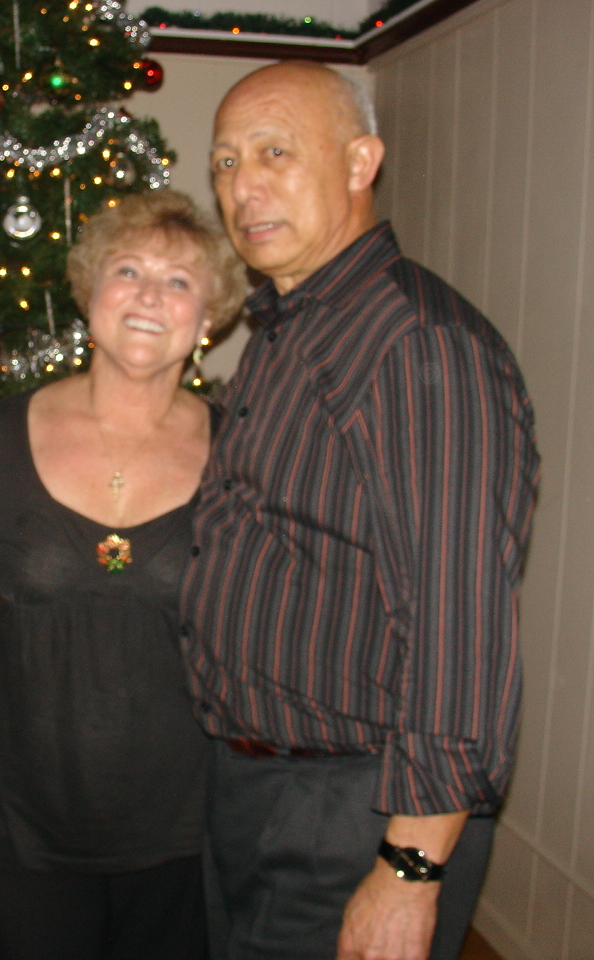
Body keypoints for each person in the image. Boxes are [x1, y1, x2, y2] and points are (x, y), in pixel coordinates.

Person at [180, 61, 541, 960]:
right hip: (259, 785)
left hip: (355, 807)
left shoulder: (416, 346)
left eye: (275, 152)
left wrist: (409, 869)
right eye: (225, 162)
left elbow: (460, 628)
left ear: (359, 162)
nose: (243, 186)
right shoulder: (290, 328)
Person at [0, 189, 247, 960]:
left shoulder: (241, 454)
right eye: (127, 270)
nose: (148, 297)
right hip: (22, 824)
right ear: (91, 291)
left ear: (209, 317)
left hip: (184, 829)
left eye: (178, 281)